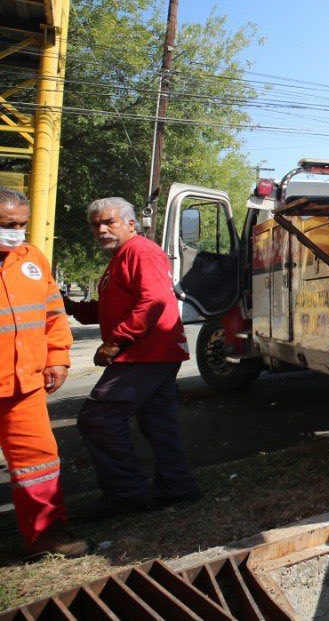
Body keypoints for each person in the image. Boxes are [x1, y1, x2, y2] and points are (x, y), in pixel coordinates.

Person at [65, 197, 200, 518]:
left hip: (145, 353)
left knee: (98, 418)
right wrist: (71, 307)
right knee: (158, 423)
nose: (101, 229)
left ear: (130, 223)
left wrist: (115, 342)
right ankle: (177, 488)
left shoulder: (140, 251)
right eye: (95, 224)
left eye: (109, 222)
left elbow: (153, 303)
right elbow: (112, 307)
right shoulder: (121, 256)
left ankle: (126, 494)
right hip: (153, 353)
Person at [0, 187, 88, 559]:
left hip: (25, 384)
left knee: (38, 462)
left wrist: (57, 358)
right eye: (7, 224)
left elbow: (53, 315)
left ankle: (46, 536)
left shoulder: (31, 259)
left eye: (21, 224)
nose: (16, 232)